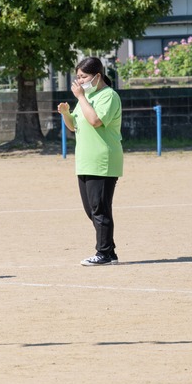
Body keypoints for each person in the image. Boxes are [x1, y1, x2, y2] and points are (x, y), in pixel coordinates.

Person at [57, 56, 123, 266]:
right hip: (85, 160)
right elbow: (74, 126)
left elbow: (95, 121)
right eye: (77, 77)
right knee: (92, 210)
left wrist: (82, 98)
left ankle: (103, 253)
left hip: (102, 160)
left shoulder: (108, 96)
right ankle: (109, 252)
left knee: (100, 209)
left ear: (97, 76)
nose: (79, 81)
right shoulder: (87, 97)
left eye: (83, 76)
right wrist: (66, 113)